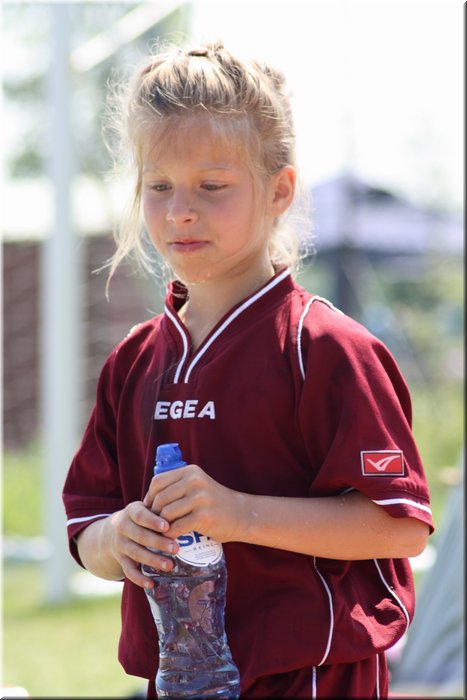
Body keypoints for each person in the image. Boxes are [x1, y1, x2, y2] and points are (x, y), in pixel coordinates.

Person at [62, 40, 434, 699]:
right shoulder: (133, 361)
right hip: (179, 680)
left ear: (279, 190)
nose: (180, 209)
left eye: (211, 186)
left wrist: (240, 515)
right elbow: (86, 532)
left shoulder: (323, 347)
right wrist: (119, 538)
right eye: (159, 186)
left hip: (313, 680)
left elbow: (399, 526)